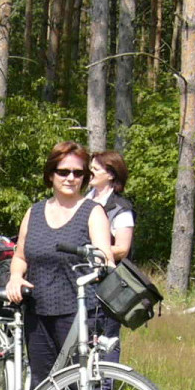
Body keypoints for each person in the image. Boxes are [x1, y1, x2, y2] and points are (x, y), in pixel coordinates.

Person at [5, 141, 114, 390]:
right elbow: (21, 255)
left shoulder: (92, 211)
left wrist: (102, 259)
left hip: (79, 308)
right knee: (45, 381)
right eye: (63, 171)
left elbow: (105, 255)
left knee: (86, 383)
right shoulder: (34, 212)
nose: (70, 178)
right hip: (38, 306)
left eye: (78, 172)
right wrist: (14, 277)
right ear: (50, 174)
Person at [84, 150, 135, 367]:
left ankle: (104, 388)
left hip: (109, 283)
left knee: (106, 336)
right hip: (81, 278)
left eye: (95, 169)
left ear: (111, 175)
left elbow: (122, 248)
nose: (89, 172)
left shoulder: (121, 209)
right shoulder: (84, 200)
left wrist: (90, 252)